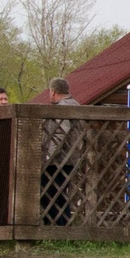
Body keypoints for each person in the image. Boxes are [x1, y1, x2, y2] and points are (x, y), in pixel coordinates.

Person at [41, 77, 81, 226]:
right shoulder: (75, 104)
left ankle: (55, 228)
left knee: (50, 194)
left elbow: (59, 134)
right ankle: (60, 227)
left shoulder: (63, 107)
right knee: (60, 195)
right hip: (70, 158)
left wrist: (48, 157)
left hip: (58, 160)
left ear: (53, 91)